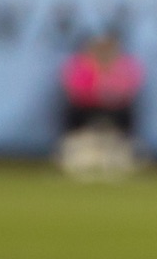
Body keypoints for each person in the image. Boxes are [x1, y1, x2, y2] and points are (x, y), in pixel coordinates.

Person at [55, 31, 144, 178]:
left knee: (128, 112)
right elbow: (75, 90)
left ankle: (126, 151)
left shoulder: (124, 65)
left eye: (107, 48)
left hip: (116, 107)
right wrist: (99, 91)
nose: (103, 52)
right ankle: (71, 149)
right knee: (71, 111)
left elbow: (129, 88)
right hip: (86, 107)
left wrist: (110, 93)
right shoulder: (81, 65)